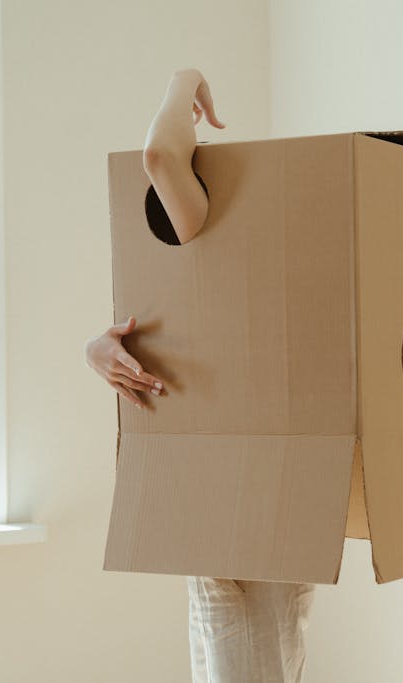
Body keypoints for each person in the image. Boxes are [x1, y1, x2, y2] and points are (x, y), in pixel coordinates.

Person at [84, 69, 316, 683]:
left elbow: (159, 153)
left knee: (250, 660)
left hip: (266, 489)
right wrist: (96, 350)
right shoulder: (230, 251)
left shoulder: (226, 226)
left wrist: (184, 80)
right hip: (217, 484)